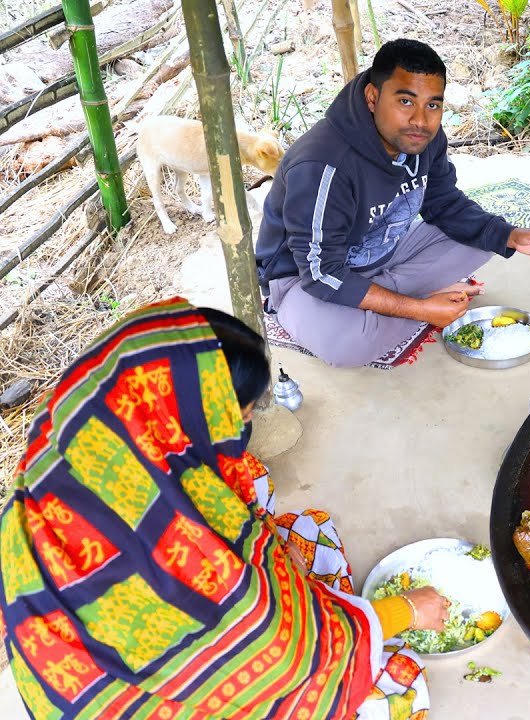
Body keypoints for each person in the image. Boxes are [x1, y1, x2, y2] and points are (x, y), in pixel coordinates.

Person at [0, 298, 451, 717]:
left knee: (262, 494)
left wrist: (275, 554)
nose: (250, 421)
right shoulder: (165, 561)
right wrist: (404, 611)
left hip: (96, 668)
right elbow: (286, 652)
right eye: (242, 411)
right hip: (140, 698)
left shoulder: (80, 446)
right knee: (397, 686)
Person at [255, 39, 530, 368]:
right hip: (303, 279)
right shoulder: (322, 165)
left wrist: (510, 235)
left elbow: (444, 204)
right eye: (405, 101)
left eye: (432, 105)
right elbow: (320, 273)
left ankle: (382, 299)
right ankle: (396, 300)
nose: (420, 120)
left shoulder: (423, 138)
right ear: (373, 98)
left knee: (489, 237)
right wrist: (421, 308)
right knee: (351, 348)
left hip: (385, 253)